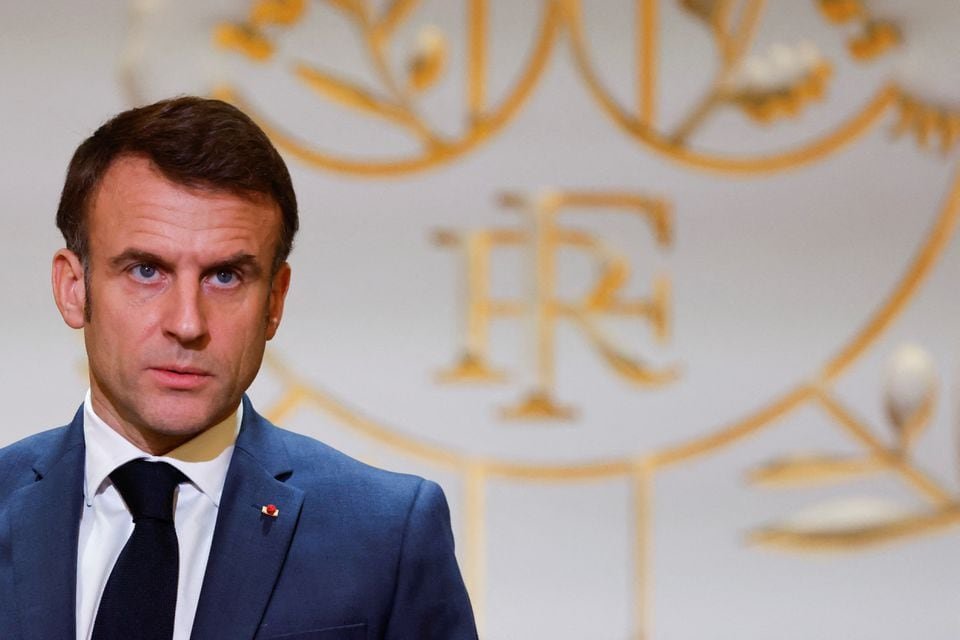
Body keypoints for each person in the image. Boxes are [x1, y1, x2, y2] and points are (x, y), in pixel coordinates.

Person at [0, 97, 478, 640]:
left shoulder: (385, 536)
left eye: (225, 276)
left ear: (274, 300)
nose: (187, 323)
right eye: (146, 270)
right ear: (73, 288)